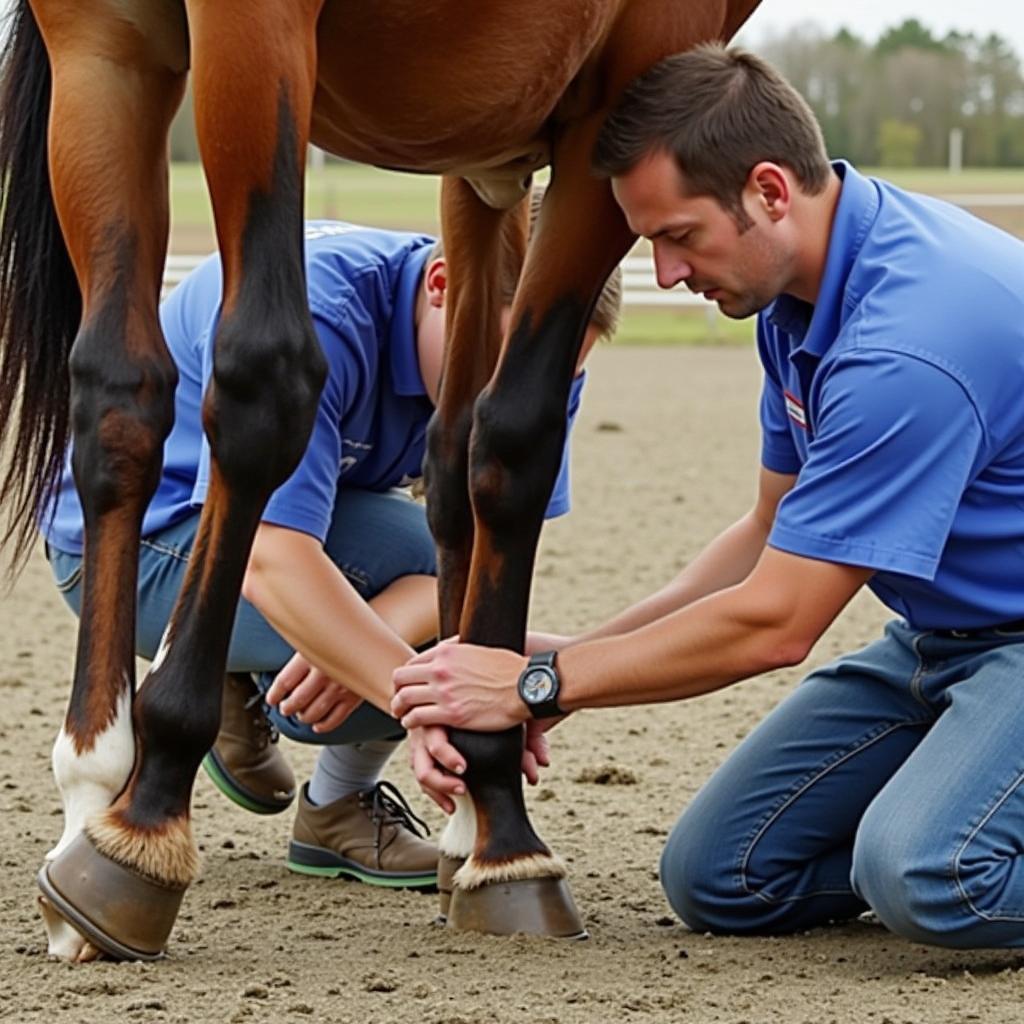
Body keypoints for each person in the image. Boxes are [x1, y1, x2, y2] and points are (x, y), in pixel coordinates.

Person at [390, 43, 1024, 949]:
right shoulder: (799, 296)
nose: (671, 273)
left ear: (770, 190)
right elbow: (765, 530)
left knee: (929, 872)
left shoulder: (906, 347)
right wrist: (575, 664)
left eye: (680, 235)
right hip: (942, 640)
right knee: (722, 877)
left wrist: (535, 683)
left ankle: (949, 835)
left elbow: (778, 622)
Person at [43, 208, 623, 888]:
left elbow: (495, 560)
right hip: (143, 545)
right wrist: (428, 702)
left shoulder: (539, 368)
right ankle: (222, 674)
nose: (523, 400)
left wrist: (404, 639)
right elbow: (266, 552)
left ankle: (327, 799)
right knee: (423, 579)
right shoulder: (323, 315)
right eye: (503, 370)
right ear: (441, 284)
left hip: (296, 533)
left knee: (446, 595)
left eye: (560, 379)